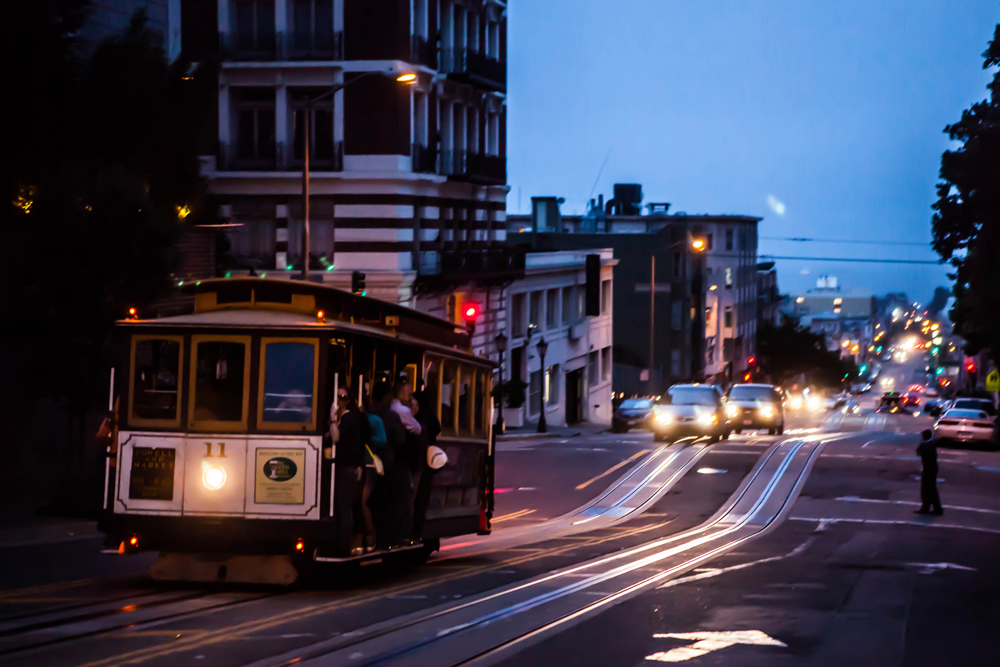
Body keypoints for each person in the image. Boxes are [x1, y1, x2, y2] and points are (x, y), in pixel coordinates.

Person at [370, 381, 412, 548]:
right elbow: (400, 439)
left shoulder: (366, 411)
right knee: (392, 501)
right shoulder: (390, 415)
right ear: (387, 396)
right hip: (386, 463)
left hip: (366, 461)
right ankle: (389, 537)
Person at [331, 386, 367, 555]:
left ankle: (344, 546)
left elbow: (336, 437)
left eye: (343, 397)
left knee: (345, 506)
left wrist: (332, 419)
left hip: (347, 468)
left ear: (348, 400)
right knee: (341, 505)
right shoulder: (341, 419)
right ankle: (341, 542)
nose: (340, 399)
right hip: (341, 466)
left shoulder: (349, 418)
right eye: (337, 396)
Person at [412, 389, 442, 540]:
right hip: (427, 461)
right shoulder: (430, 415)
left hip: (416, 461)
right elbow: (437, 428)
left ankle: (411, 529)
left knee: (414, 496)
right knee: (422, 497)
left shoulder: (416, 416)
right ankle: (417, 530)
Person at [361, 391, 388, 552]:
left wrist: (368, 438)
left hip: (369, 464)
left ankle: (370, 534)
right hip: (355, 464)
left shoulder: (374, 420)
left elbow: (383, 441)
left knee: (364, 501)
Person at [915, 429, 943, 515]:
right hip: (931, 468)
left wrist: (920, 443)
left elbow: (918, 452)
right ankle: (931, 507)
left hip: (929, 469)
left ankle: (928, 508)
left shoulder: (926, 445)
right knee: (930, 489)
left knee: (927, 489)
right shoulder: (931, 444)